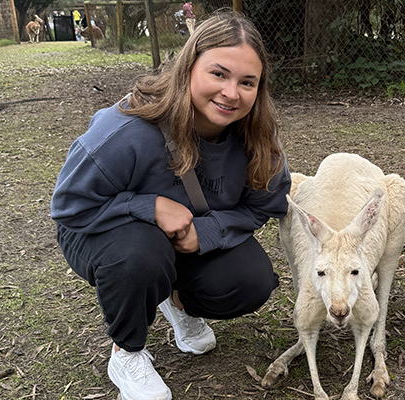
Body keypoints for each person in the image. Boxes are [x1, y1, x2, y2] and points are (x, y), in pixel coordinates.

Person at [50, 12, 290, 400]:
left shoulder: (258, 138)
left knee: (251, 281)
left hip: (185, 238)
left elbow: (265, 205)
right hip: (99, 233)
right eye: (218, 74)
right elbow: (69, 207)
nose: (232, 93)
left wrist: (207, 232)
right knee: (141, 254)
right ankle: (126, 352)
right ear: (189, 66)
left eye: (247, 82)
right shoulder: (127, 128)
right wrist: (148, 206)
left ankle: (174, 300)